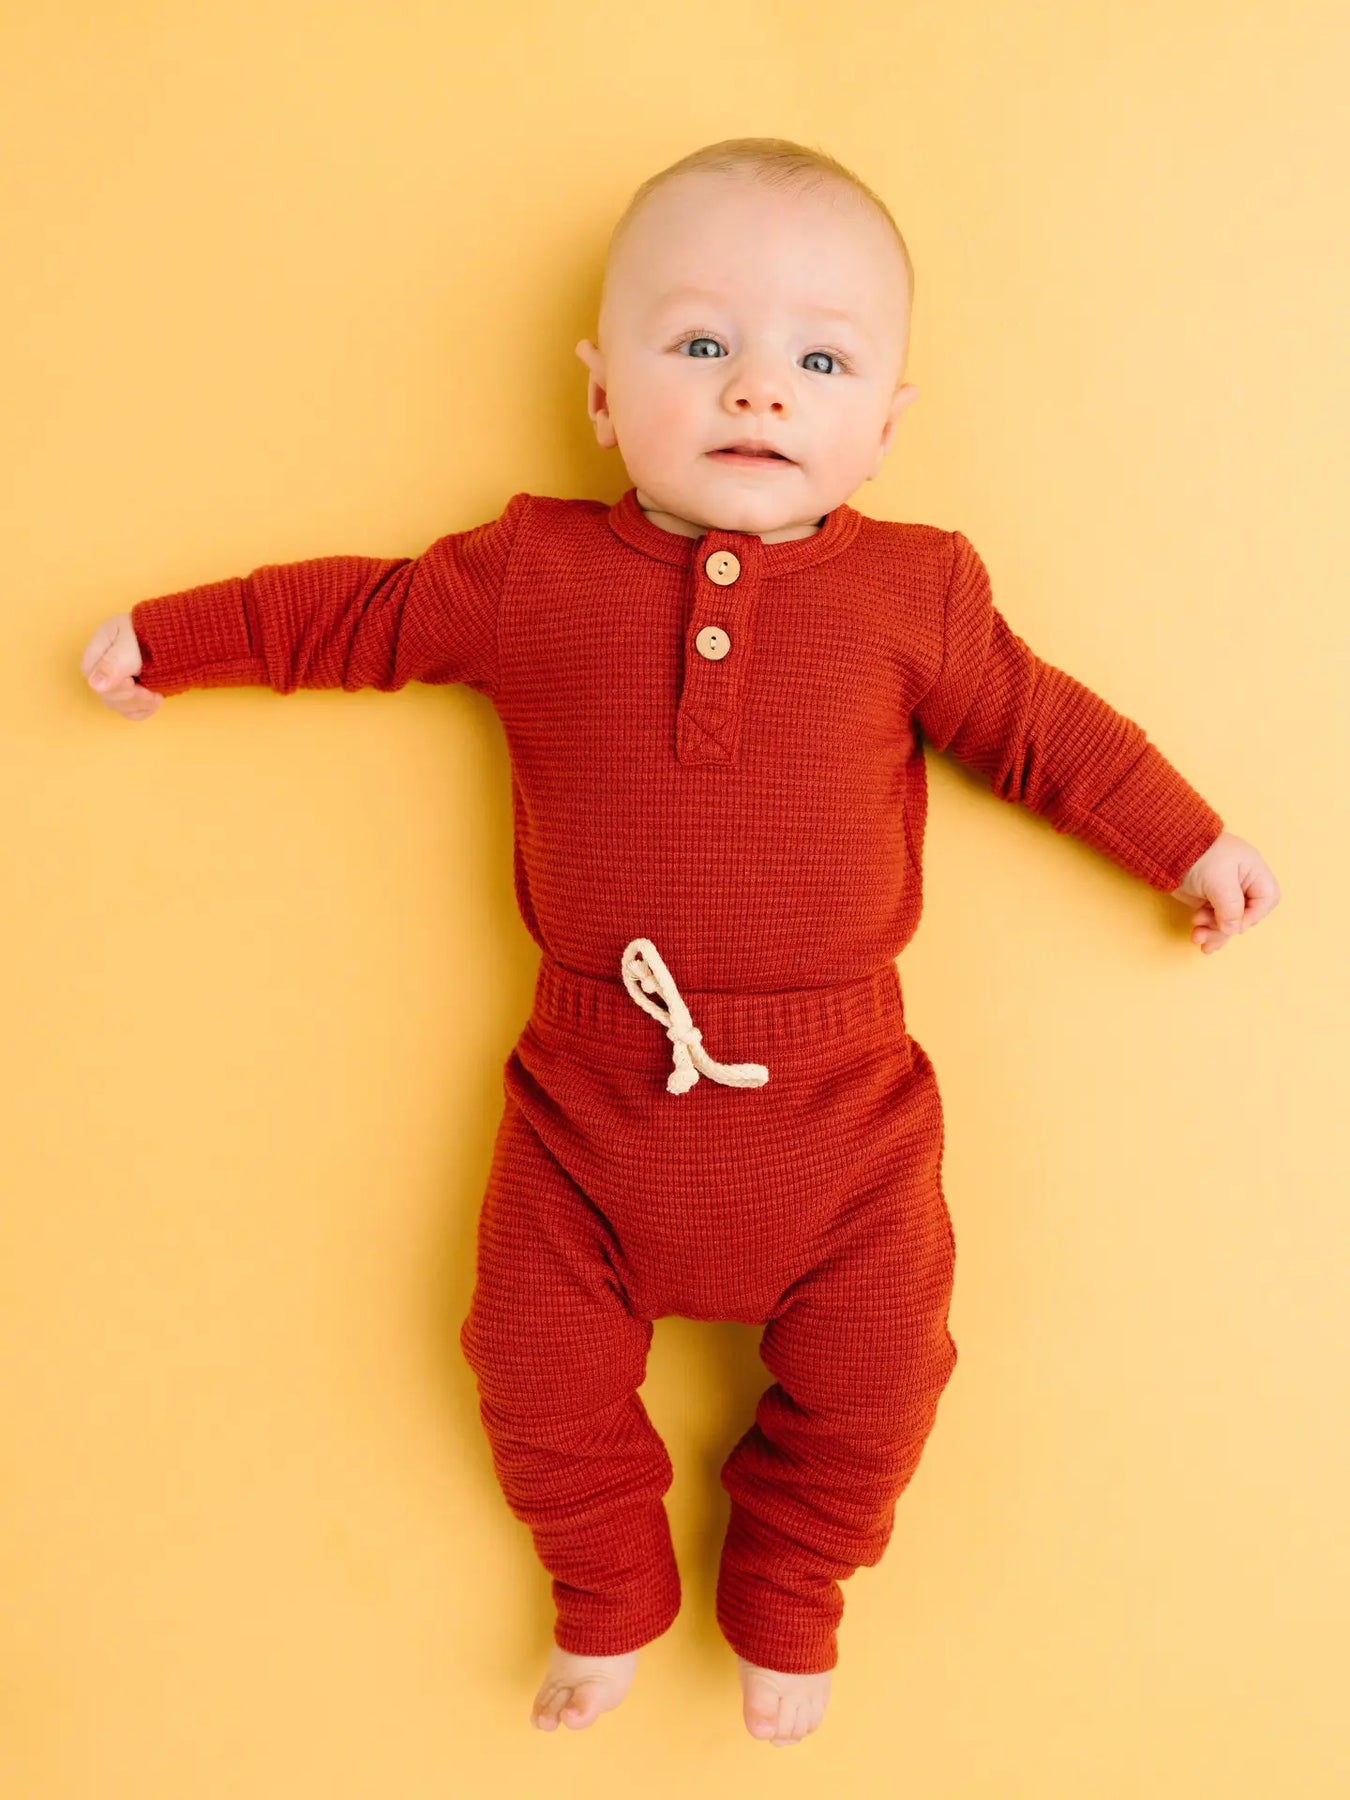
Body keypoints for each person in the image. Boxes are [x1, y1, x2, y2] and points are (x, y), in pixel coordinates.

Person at [79, 137, 1280, 1748]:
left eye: (819, 362)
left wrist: (1189, 838)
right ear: (600, 393)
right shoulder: (530, 572)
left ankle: (791, 1586)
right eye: (701, 342)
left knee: (884, 1376)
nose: (757, 389)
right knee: (525, 1358)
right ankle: (603, 1584)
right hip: (588, 1108)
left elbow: (1043, 731)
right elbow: (357, 617)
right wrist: (173, 636)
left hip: (842, 1117)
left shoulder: (915, 592)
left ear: (886, 424)